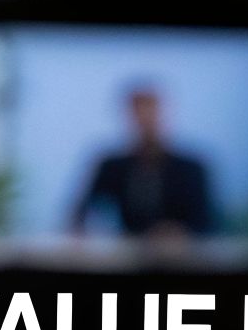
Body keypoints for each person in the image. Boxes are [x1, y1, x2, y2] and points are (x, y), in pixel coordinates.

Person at [70, 86, 213, 237]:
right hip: (127, 252)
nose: (144, 121)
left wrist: (179, 233)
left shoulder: (190, 168)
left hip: (182, 256)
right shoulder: (112, 166)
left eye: (150, 112)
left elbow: (206, 221)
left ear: (162, 114)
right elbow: (81, 211)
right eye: (138, 113)